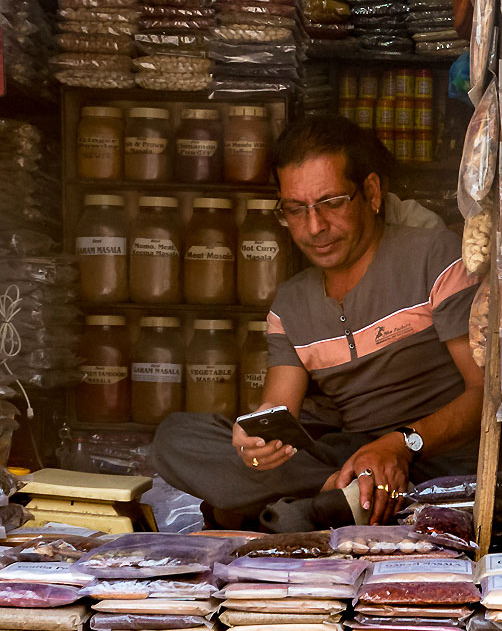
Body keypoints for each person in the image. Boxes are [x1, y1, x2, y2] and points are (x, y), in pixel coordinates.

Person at [154, 115, 481, 530]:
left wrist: (401, 444)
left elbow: (482, 393)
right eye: (295, 210)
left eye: (331, 203)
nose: (314, 227)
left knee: (290, 517)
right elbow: (277, 415)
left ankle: (312, 505)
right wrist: (254, 445)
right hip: (346, 457)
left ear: (372, 192)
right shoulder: (291, 305)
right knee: (176, 438)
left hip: (431, 460)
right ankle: (336, 494)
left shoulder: (434, 257)